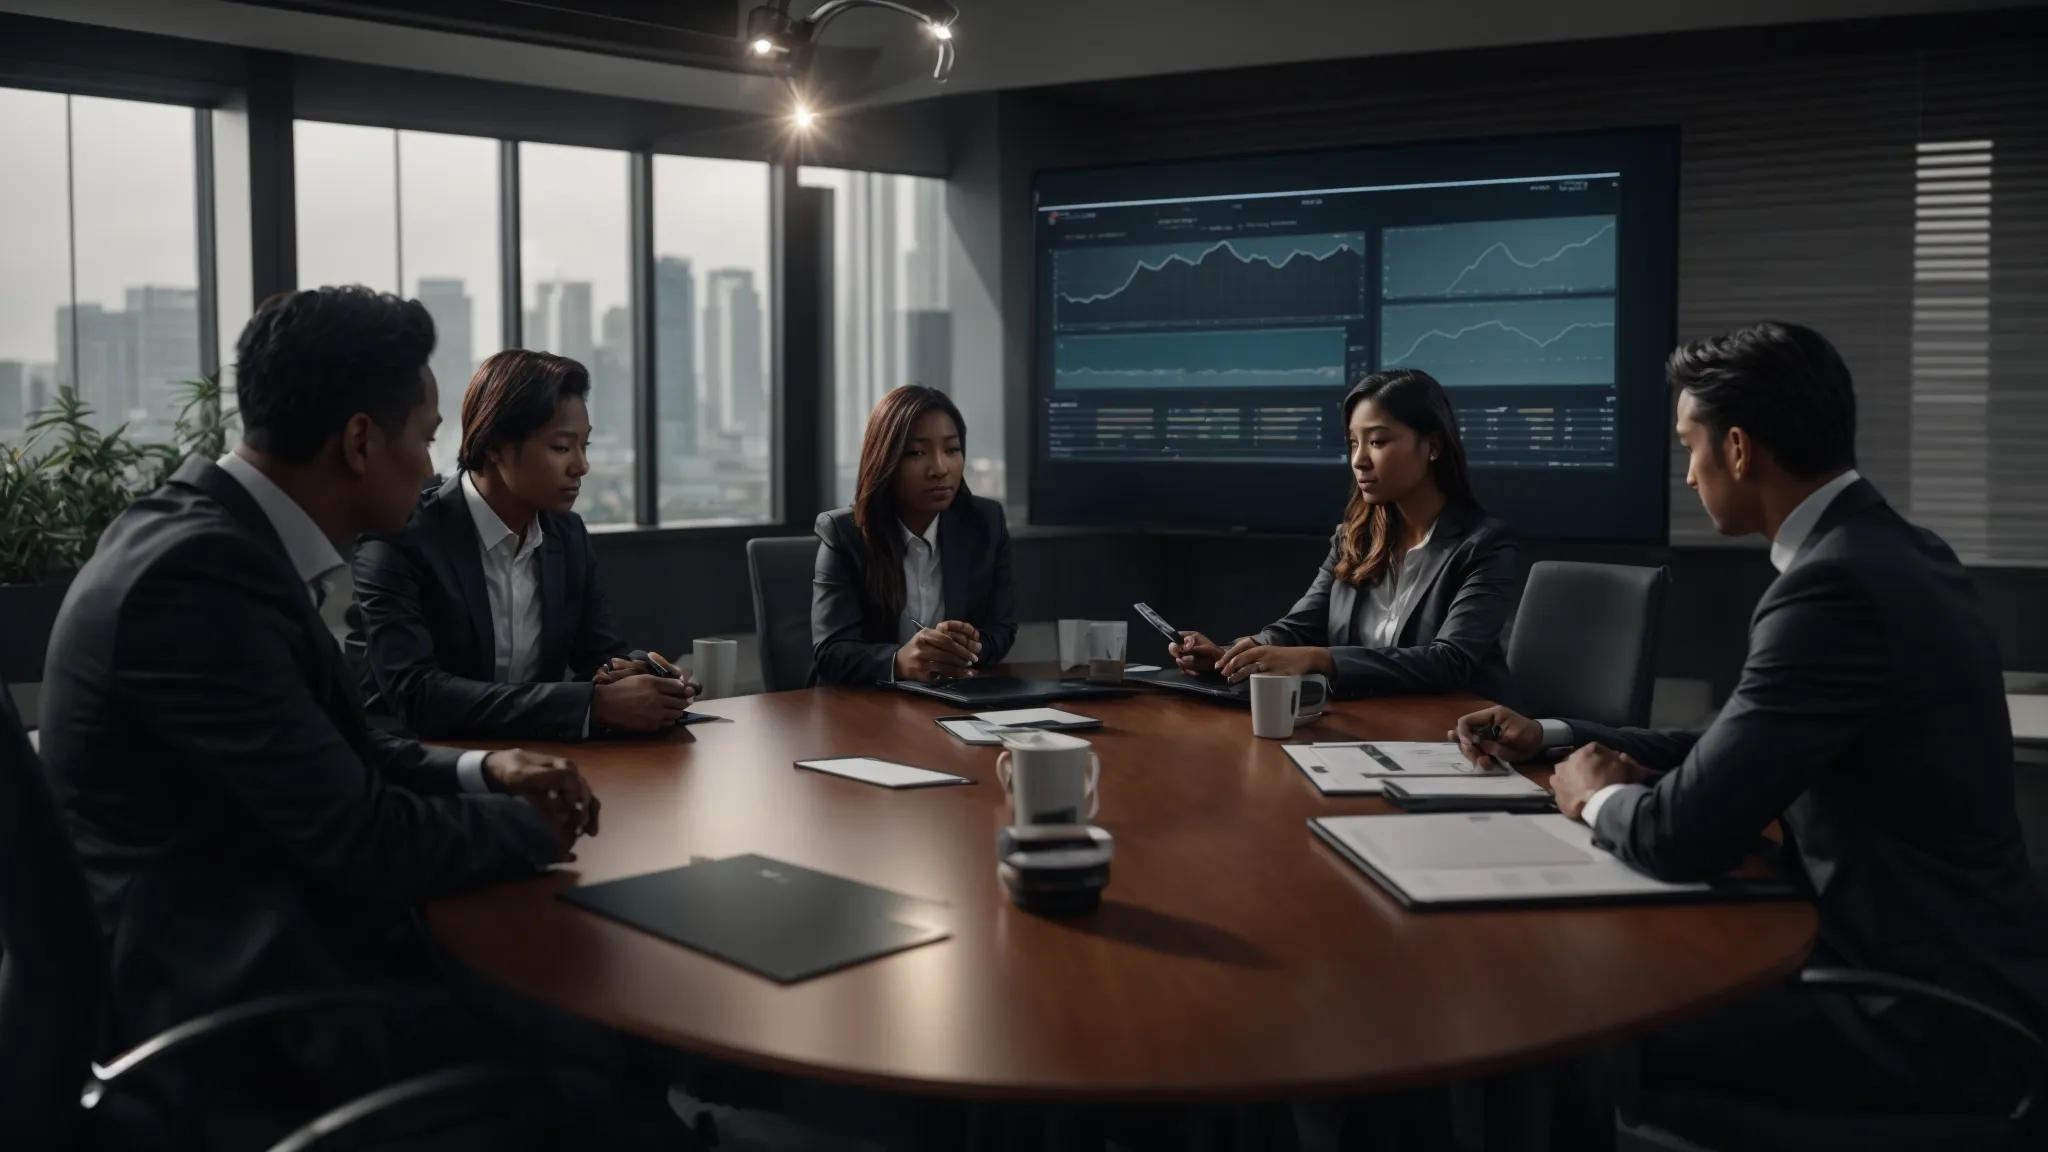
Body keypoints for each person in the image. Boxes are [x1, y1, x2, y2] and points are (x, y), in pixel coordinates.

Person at [31, 288, 648, 1145]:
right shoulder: (200, 580)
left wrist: (484, 770)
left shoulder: (200, 536)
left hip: (269, 948)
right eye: (427, 437)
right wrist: (531, 829)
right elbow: (363, 841)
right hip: (248, 1007)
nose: (434, 470)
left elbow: (338, 757)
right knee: (598, 1043)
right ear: (360, 440)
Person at [1454, 322, 2048, 1114]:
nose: (1689, 475)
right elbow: (1741, 746)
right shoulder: (1895, 551)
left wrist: (1592, 798)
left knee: (1545, 1007)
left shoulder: (1830, 587)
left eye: (1687, 446)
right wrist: (1557, 736)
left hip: (1903, 1016)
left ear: (1737, 450)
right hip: (1951, 977)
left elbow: (1677, 835)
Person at [350, 349, 694, 741]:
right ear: (495, 444)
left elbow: (600, 655)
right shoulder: (401, 535)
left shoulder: (567, 535)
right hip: (415, 768)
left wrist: (641, 674)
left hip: (537, 761)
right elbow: (417, 694)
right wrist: (590, 705)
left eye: (585, 446)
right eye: (562, 448)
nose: (581, 466)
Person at [1171, 369, 1518, 700]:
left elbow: (1450, 662)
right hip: (1366, 725)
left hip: (1457, 734)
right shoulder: (1353, 538)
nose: (1359, 460)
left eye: (1378, 441)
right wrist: (1230, 656)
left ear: (1433, 446)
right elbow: (1299, 628)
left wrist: (1323, 660)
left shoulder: (1484, 544)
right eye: (1354, 443)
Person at [812, 384, 1017, 685]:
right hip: (860, 708)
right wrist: (901, 662)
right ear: (885, 460)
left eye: (952, 450)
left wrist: (967, 648)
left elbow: (1001, 629)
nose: (939, 468)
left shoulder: (985, 523)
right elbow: (831, 651)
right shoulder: (845, 534)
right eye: (917, 452)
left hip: (951, 700)